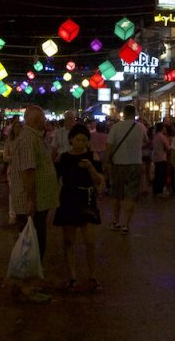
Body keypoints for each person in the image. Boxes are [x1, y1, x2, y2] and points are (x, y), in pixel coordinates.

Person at [8, 104, 59, 303]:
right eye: (44, 118)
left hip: (37, 201)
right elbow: (28, 171)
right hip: (32, 203)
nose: (46, 121)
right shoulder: (29, 139)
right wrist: (31, 200)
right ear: (37, 121)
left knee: (33, 242)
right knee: (33, 244)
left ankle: (22, 283)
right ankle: (27, 286)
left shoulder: (33, 138)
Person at [53, 123, 104, 293]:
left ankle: (92, 276)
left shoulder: (93, 156)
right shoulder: (63, 158)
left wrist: (90, 167)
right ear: (71, 140)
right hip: (68, 198)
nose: (81, 143)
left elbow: (99, 180)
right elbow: (56, 178)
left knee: (90, 241)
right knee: (69, 241)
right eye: (78, 140)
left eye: (84, 140)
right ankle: (72, 276)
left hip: (86, 198)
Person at [104, 104, 147, 234]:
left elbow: (109, 146)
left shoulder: (116, 127)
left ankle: (116, 221)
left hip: (119, 164)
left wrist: (106, 161)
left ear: (124, 113)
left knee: (117, 194)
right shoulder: (141, 127)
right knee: (131, 195)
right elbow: (146, 141)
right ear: (134, 113)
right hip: (135, 163)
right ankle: (126, 224)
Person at [151, 122, 171, 197]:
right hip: (162, 157)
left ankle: (156, 190)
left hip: (156, 158)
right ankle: (160, 191)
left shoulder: (155, 136)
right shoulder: (162, 137)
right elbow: (167, 147)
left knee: (157, 175)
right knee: (161, 175)